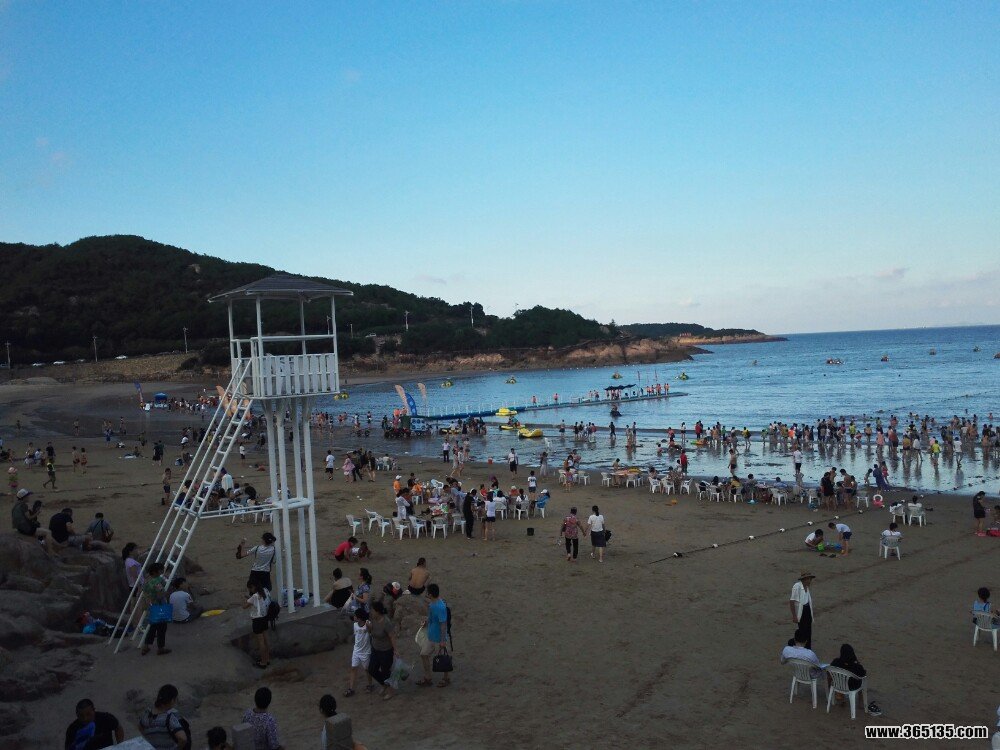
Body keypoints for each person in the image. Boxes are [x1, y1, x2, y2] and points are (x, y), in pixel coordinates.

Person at [139, 684, 190, 749]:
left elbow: (140, 728)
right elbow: (183, 738)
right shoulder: (169, 718)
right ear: (172, 700)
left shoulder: (146, 715)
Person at [367, 600, 398, 700]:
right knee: (371, 669)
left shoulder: (386, 622)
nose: (371, 612)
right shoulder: (372, 619)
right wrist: (369, 628)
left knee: (386, 672)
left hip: (386, 651)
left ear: (377, 611)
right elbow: (371, 632)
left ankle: (390, 691)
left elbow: (392, 636)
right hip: (375, 648)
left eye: (372, 610)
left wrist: (395, 650)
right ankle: (384, 684)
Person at [421, 583, 450, 688]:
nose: (426, 593)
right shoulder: (432, 604)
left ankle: (446, 678)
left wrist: (442, 641)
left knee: (443, 658)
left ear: (430, 594)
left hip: (439, 638)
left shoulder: (440, 607)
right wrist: (426, 623)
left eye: (427, 592)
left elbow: (443, 625)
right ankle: (428, 677)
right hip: (431, 636)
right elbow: (431, 617)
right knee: (424, 654)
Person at [11, 489, 56, 553]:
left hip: (19, 528)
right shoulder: (24, 505)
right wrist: (37, 513)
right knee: (48, 532)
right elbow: (29, 517)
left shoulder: (15, 506)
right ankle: (50, 552)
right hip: (26, 528)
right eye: (27, 496)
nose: (29, 497)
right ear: (24, 497)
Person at [141, 562, 171, 656]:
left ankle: (146, 646)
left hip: (150, 606)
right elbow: (161, 593)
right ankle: (160, 648)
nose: (161, 572)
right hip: (159, 606)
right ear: (155, 572)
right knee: (162, 628)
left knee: (153, 627)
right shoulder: (157, 581)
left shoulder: (147, 580)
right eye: (160, 570)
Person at [242, 579, 271, 668]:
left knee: (261, 642)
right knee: (266, 640)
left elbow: (244, 606)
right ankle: (267, 659)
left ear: (253, 587)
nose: (250, 590)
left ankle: (263, 662)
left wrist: (244, 599)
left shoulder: (254, 596)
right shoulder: (265, 591)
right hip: (265, 618)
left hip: (257, 620)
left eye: (250, 588)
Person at [345, 609, 372, 697]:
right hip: (356, 651)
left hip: (366, 652)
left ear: (359, 618)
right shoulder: (355, 625)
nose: (354, 617)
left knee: (367, 670)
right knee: (353, 668)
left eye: (355, 615)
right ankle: (351, 688)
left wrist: (368, 626)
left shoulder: (368, 624)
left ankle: (370, 685)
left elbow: (372, 632)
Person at [789, 572, 815, 649]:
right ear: (804, 579)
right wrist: (794, 616)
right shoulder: (797, 586)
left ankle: (808, 648)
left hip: (807, 611)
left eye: (810, 579)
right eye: (808, 579)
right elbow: (792, 601)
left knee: (808, 631)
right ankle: (802, 648)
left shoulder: (806, 586)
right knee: (803, 631)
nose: (810, 581)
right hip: (801, 612)